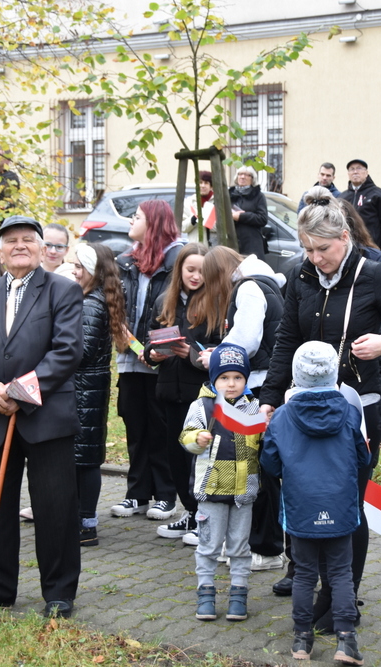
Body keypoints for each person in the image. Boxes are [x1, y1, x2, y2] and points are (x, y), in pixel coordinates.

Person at [259, 188, 381, 630]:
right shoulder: (300, 276)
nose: (315, 258)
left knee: (349, 504)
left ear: (345, 237)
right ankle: (312, 583)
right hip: (305, 410)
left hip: (355, 409)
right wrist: (270, 399)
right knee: (308, 495)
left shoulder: (374, 275)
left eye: (323, 249)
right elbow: (286, 342)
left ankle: (340, 600)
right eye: (308, 249)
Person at [0, 215, 84, 618]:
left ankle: (59, 593)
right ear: (0, 250)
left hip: (46, 419)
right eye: (11, 241)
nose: (19, 246)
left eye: (28, 239)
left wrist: (16, 392)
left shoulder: (63, 290)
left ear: (44, 248)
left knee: (55, 509)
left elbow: (66, 352)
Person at [261, 341, 370, 664]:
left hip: (300, 505)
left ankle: (301, 640)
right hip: (339, 504)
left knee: (305, 574)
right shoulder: (349, 412)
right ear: (333, 374)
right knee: (340, 572)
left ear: (296, 377)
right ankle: (346, 640)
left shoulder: (281, 418)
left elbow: (269, 462)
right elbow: (363, 456)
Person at [196, 246, 286, 567]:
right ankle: (255, 543)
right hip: (261, 383)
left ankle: (267, 548)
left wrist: (216, 357)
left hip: (258, 387)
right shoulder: (263, 282)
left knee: (257, 471)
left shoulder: (248, 287)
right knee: (255, 469)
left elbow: (245, 340)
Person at [111, 200, 183, 520]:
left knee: (161, 428)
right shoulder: (126, 260)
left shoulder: (178, 260)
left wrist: (158, 350)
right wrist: (118, 328)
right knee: (135, 425)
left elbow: (179, 313)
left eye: (137, 216)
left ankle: (166, 495)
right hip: (129, 358)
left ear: (153, 223)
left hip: (161, 361)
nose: (130, 220)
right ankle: (136, 492)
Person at [181, 343, 262, 622]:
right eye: (224, 378)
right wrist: (196, 439)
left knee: (240, 548)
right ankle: (206, 593)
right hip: (210, 491)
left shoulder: (253, 408)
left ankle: (239, 594)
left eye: (238, 378)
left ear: (246, 379)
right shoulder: (202, 406)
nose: (231, 384)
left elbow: (262, 443)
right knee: (209, 546)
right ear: (214, 379)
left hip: (243, 492)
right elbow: (186, 437)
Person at [146, 242, 218, 541]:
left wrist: (190, 353)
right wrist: (154, 355)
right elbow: (149, 340)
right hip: (168, 392)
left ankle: (207, 519)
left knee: (198, 458)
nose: (195, 276)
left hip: (199, 396)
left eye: (202, 271)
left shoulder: (216, 302)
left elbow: (219, 351)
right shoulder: (166, 299)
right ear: (179, 270)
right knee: (176, 457)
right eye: (190, 270)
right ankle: (190, 513)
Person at [70, 243, 128, 546]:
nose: (74, 271)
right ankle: (82, 519)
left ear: (93, 270)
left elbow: (80, 352)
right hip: (88, 386)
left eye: (79, 266)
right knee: (84, 456)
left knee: (85, 459)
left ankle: (86, 524)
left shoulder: (90, 305)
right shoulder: (91, 299)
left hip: (83, 388)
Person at [338, 159, 381, 256]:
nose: (355, 172)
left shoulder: (378, 194)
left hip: (371, 248)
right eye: (352, 169)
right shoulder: (342, 197)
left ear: (366, 173)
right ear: (348, 174)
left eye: (359, 168)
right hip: (347, 249)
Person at [228, 166, 268, 258]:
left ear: (252, 179)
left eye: (247, 175)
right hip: (231, 242)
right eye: (240, 174)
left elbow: (263, 218)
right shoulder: (229, 195)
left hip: (251, 244)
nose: (242, 177)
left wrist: (241, 216)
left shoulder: (258, 195)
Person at [182, 171, 215, 242]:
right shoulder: (188, 202)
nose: (202, 186)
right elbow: (183, 228)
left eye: (206, 183)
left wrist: (207, 220)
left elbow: (224, 228)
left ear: (211, 186)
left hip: (214, 247)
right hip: (195, 247)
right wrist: (192, 219)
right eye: (200, 182)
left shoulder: (217, 202)